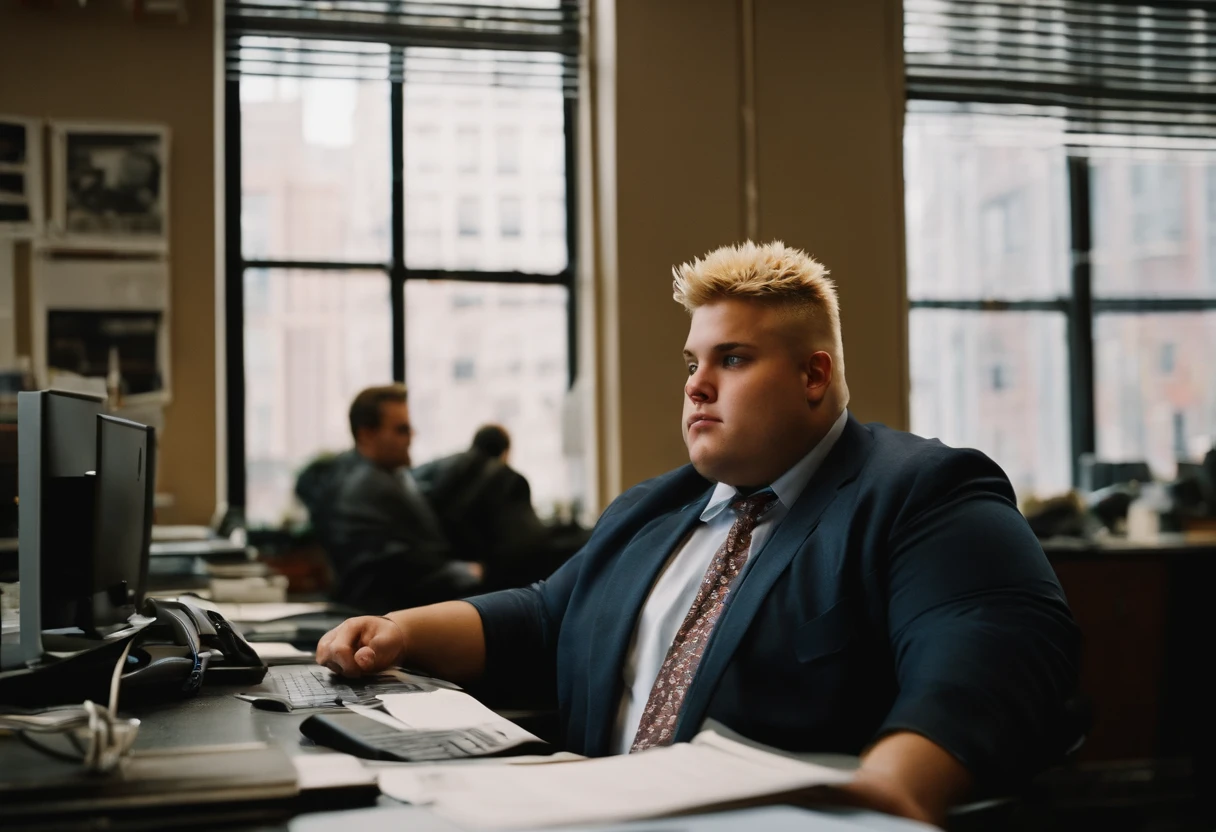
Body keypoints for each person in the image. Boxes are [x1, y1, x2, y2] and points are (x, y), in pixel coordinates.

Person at [318, 242, 1080, 825]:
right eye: (692, 362)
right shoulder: (657, 507)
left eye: (733, 359)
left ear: (814, 376)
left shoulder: (919, 492)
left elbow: (986, 655)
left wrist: (890, 791)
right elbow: (547, 616)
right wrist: (400, 632)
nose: (696, 384)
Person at [295, 384, 481, 614]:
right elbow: (394, 568)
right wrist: (462, 573)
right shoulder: (365, 490)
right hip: (385, 618)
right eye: (401, 429)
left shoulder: (386, 477)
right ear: (366, 434)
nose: (411, 436)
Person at [412, 425, 585, 590]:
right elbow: (525, 543)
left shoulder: (437, 469)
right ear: (505, 452)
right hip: (492, 572)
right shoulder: (504, 478)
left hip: (442, 563)